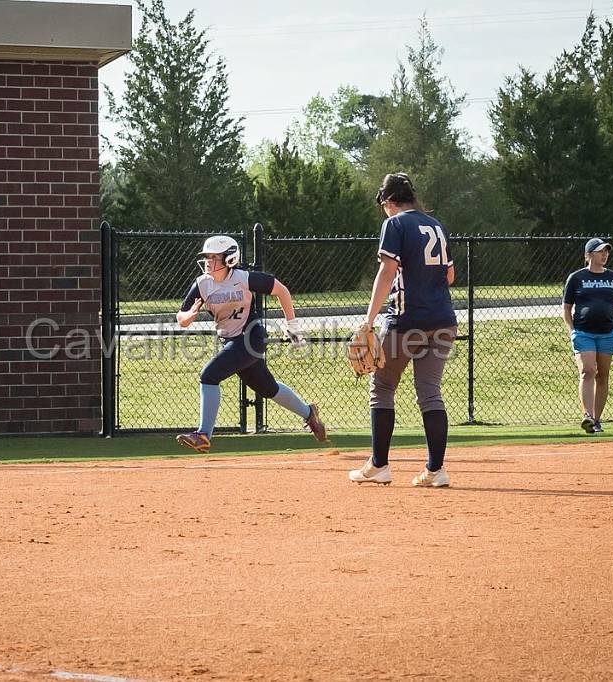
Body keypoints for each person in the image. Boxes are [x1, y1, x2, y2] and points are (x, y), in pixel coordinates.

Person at [348, 173, 457, 487]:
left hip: (407, 321)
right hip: (443, 320)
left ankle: (379, 466)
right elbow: (448, 276)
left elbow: (387, 271)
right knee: (430, 393)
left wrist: (369, 320)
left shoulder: (394, 223)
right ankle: (436, 471)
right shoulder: (437, 226)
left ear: (388, 201)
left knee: (381, 387)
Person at [175, 235, 328, 453]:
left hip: (251, 338)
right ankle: (308, 413)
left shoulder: (244, 278)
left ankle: (203, 435)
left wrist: (292, 325)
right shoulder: (202, 284)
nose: (208, 261)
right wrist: (189, 316)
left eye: (213, 257)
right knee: (268, 388)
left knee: (209, 375)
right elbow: (181, 317)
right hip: (230, 341)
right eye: (206, 257)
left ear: (229, 259)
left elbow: (281, 290)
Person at [562, 238, 613, 434]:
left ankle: (597, 421)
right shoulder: (576, 278)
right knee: (588, 370)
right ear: (589, 255)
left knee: (603, 375)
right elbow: (566, 309)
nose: (605, 254)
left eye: (606, 251)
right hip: (583, 333)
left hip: (608, 334)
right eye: (600, 251)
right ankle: (587, 416)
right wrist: (572, 331)